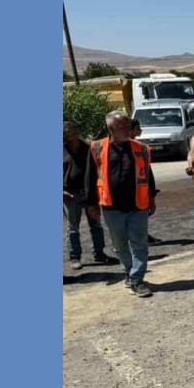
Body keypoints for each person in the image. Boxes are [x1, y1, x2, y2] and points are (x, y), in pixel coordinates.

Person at [84, 111, 158, 297]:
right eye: (122, 126)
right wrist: (91, 204)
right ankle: (129, 272)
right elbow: (90, 178)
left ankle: (137, 280)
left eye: (128, 125)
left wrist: (152, 197)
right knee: (120, 244)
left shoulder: (140, 148)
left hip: (137, 205)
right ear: (111, 129)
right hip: (111, 207)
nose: (127, 129)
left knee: (139, 244)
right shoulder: (97, 148)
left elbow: (148, 175)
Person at [63, 121, 115, 270]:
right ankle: (75, 257)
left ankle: (99, 253)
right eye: (66, 133)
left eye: (71, 132)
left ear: (76, 132)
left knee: (96, 224)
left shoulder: (88, 148)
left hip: (89, 192)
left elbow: (98, 169)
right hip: (70, 194)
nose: (69, 135)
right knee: (73, 227)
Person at [129, 119, 164, 245]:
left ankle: (143, 236)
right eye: (137, 128)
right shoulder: (134, 148)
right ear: (130, 130)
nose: (141, 130)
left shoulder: (140, 147)